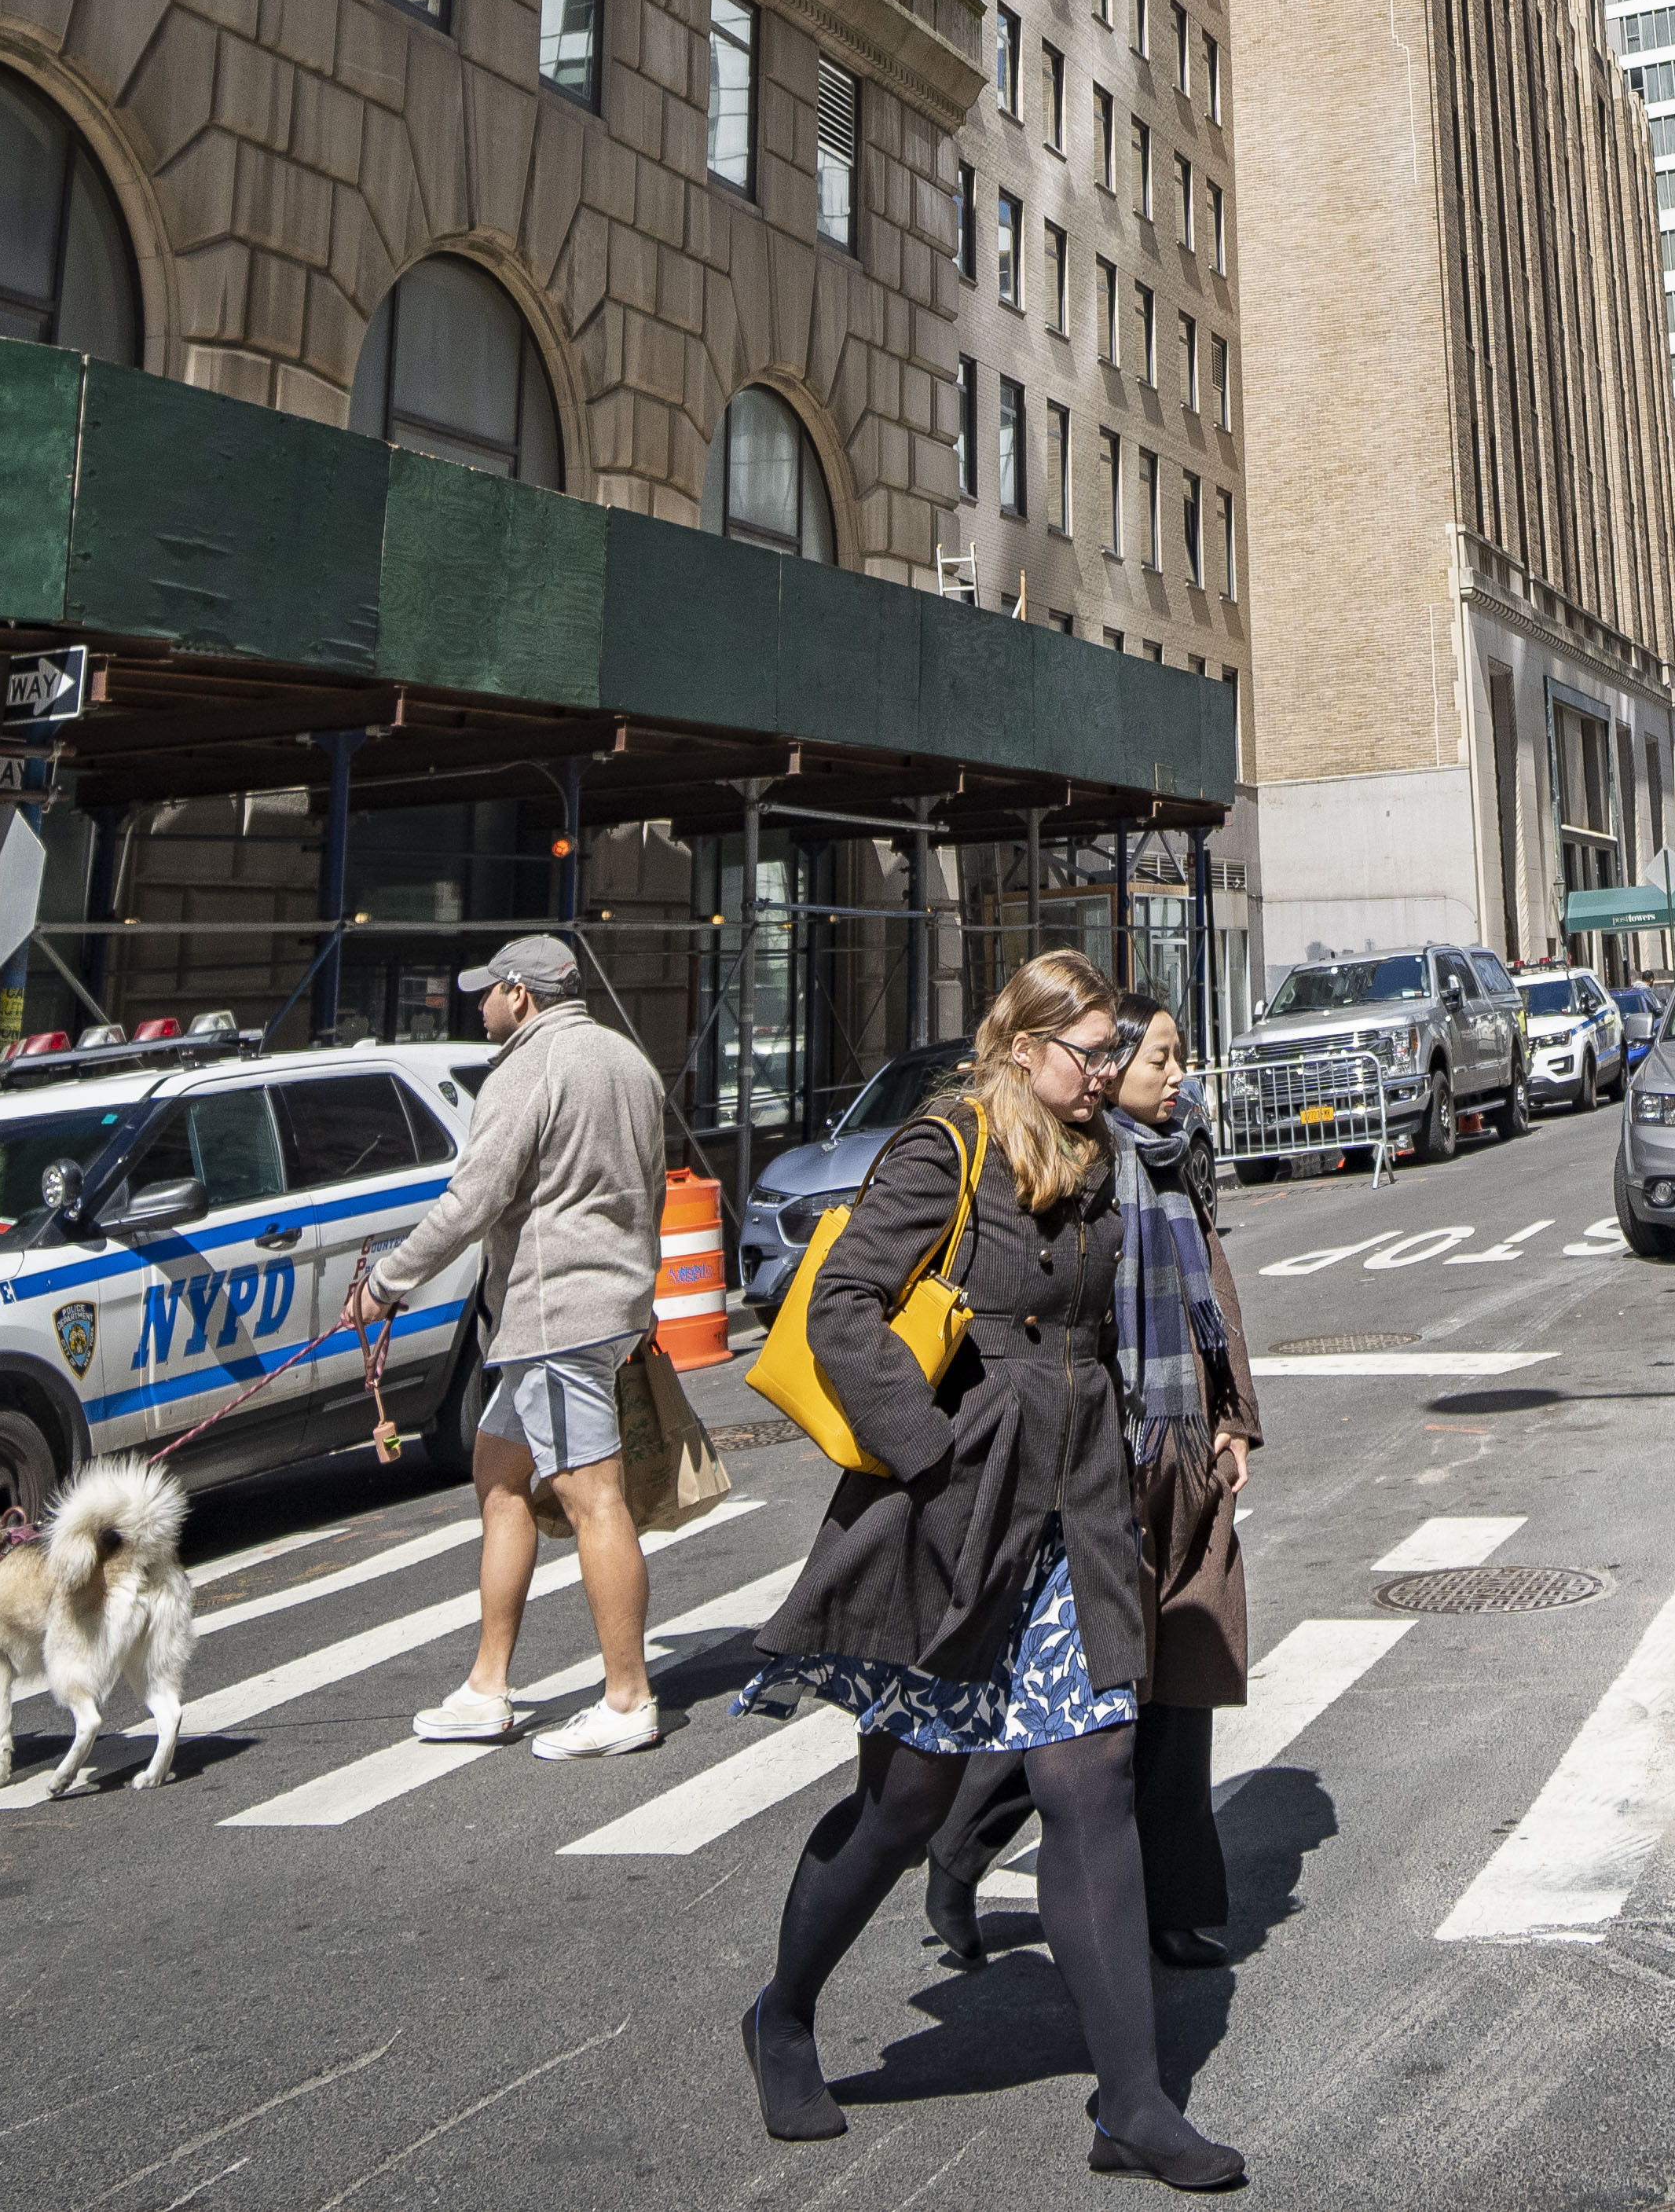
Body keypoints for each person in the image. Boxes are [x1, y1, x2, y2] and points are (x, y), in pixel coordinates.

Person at [739, 954, 1238, 2190]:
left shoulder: (1102, 1155)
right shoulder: (946, 1145)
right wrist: (924, 1449)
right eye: (1090, 1055)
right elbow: (840, 1307)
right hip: (956, 1510)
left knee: (1093, 1778)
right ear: (1021, 1047)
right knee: (906, 1801)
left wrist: (1207, 1422)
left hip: (1077, 1506)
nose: (1106, 1076)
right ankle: (783, 2014)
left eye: (1117, 1053)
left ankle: (1133, 2105)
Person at [925, 992, 1256, 1972]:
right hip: (1099, 1456)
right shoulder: (1078, 1157)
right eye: (1159, 1055)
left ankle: (1171, 1906)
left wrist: (1235, 1419)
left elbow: (1216, 1298)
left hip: (1182, 1451)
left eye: (1169, 1057)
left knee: (1180, 1684)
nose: (1172, 1074)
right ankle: (959, 1846)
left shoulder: (1175, 1155)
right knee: (1097, 1691)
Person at [357, 931, 676, 1755]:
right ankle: (487, 1686)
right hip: (597, 1309)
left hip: (552, 1318)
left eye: (487, 992)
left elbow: (473, 1200)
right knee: (500, 1477)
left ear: (520, 994)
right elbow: (652, 1191)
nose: (480, 1005)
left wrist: (387, 1282)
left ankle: (628, 1698)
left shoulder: (523, 1070)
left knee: (591, 1497)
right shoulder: (628, 1061)